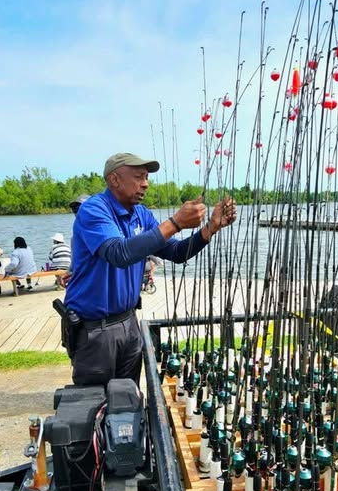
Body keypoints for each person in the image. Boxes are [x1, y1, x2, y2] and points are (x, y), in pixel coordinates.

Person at [64, 151, 236, 386]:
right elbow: (119, 253)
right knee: (95, 404)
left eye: (146, 177)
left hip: (129, 322)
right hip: (96, 331)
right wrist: (175, 223)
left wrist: (210, 229)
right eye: (138, 176)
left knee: (128, 402)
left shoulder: (141, 214)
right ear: (114, 179)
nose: (145, 183)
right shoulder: (94, 210)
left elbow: (175, 253)